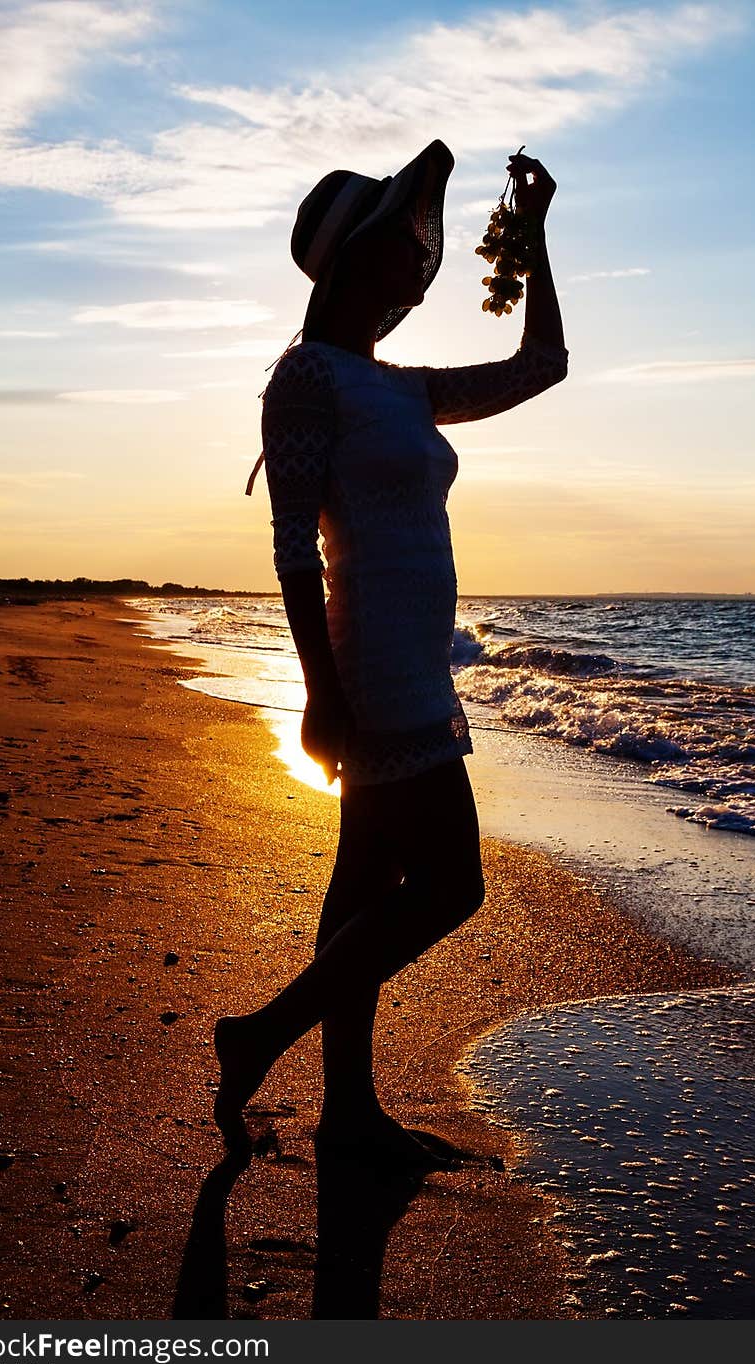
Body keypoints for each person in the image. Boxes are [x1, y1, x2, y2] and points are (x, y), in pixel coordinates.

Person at [215, 140, 568, 1166]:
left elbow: (538, 366)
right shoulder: (306, 382)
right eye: (393, 246)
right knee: (452, 885)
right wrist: (319, 689)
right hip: (371, 666)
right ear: (354, 263)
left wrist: (535, 238)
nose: (411, 265)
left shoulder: (400, 387)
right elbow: (290, 547)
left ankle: (350, 1112)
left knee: (363, 886)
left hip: (416, 661)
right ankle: (258, 1036)